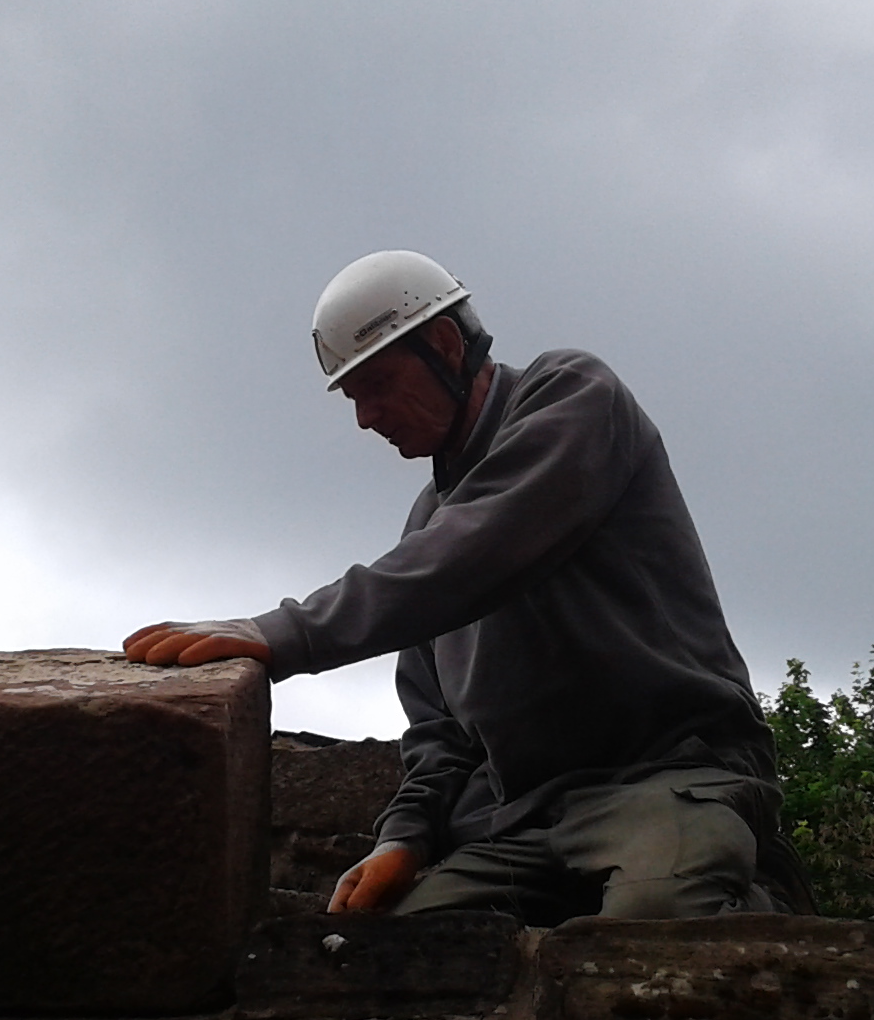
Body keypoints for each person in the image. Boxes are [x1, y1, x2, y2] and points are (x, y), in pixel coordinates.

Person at [125, 251, 798, 924]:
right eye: (352, 397)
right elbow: (439, 726)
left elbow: (479, 549)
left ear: (445, 346)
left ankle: (759, 893)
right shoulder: (429, 532)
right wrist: (406, 837)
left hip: (670, 779)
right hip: (520, 822)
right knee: (393, 954)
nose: (366, 417)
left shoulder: (574, 395)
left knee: (655, 921)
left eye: (377, 384)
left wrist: (284, 634)